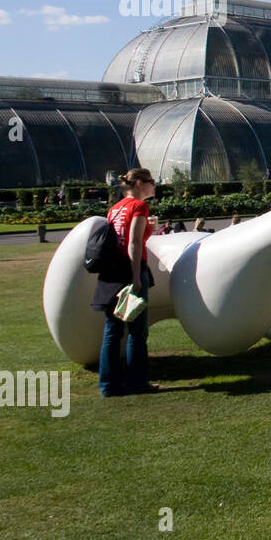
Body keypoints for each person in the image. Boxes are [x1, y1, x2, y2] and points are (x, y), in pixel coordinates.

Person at [90, 168, 159, 397]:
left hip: (111, 273)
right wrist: (137, 276)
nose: (153, 186)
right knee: (137, 331)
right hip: (129, 270)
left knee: (113, 330)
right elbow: (133, 244)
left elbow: (119, 238)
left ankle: (108, 386)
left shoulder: (115, 208)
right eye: (150, 182)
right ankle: (136, 382)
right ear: (139, 183)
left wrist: (149, 229)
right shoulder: (139, 207)